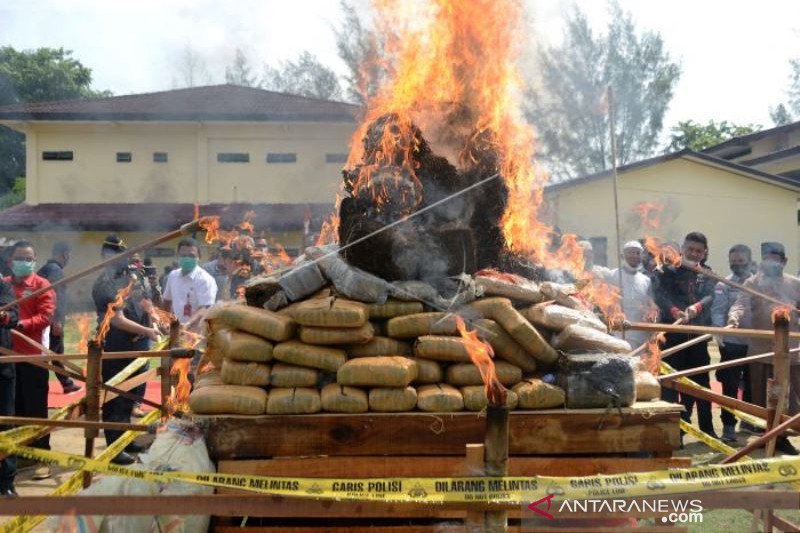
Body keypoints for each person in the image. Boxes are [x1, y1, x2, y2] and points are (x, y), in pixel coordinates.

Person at [91, 234, 160, 465]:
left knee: (132, 396)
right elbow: (117, 320)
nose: (123, 258)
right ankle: (113, 448)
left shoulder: (131, 276)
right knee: (116, 397)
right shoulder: (104, 284)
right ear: (105, 256)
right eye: (117, 254)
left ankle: (125, 439)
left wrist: (154, 321)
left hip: (139, 345)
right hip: (116, 346)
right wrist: (149, 331)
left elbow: (145, 303)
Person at [728, 242, 800, 455]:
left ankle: (783, 436)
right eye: (767, 259)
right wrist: (734, 318)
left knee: (790, 397)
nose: (771, 263)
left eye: (776, 259)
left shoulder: (795, 284)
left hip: (792, 351)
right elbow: (740, 303)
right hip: (762, 351)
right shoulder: (753, 282)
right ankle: (769, 436)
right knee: (763, 397)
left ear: (784, 261)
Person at [655, 232, 717, 439]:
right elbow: (660, 295)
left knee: (701, 384)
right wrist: (675, 311)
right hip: (673, 335)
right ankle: (673, 432)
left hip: (697, 337)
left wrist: (697, 307)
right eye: (690, 249)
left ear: (705, 253)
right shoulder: (668, 269)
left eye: (699, 250)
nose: (694, 253)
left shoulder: (708, 272)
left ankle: (707, 429)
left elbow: (710, 295)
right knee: (671, 384)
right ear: (683, 248)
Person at [5, 241, 56, 480]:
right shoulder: (3, 285)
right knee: (14, 407)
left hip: (33, 356)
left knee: (36, 408)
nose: (24, 262)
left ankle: (41, 454)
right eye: (19, 258)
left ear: (34, 261)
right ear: (10, 261)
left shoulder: (41, 285)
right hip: (7, 357)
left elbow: (45, 316)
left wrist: (21, 324)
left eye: (29, 258)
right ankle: (19, 451)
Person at [711, 244, 754, 442]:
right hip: (732, 343)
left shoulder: (759, 283)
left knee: (754, 385)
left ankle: (751, 422)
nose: (737, 265)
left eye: (741, 261)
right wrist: (720, 333)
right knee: (730, 385)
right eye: (733, 262)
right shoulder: (723, 284)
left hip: (757, 344)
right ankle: (728, 426)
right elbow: (718, 311)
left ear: (749, 260)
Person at [37, 241, 81, 394]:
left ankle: (66, 383)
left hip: (44, 318)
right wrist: (58, 320)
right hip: (51, 320)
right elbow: (57, 297)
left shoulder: (46, 269)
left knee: (54, 352)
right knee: (53, 352)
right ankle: (65, 383)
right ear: (65, 254)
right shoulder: (55, 270)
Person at [598, 241, 653, 349]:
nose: (634, 256)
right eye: (630, 252)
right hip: (616, 333)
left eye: (637, 253)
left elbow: (649, 305)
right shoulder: (612, 275)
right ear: (623, 255)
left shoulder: (646, 280)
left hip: (639, 334)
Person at [162, 238, 217, 325]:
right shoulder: (173, 275)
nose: (187, 259)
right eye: (183, 256)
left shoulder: (206, 280)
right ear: (177, 256)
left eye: (191, 256)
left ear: (199, 257)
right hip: (175, 329)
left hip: (197, 332)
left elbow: (205, 308)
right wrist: (165, 321)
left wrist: (187, 325)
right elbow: (167, 301)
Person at [0, 280, 19, 496]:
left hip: (2, 367)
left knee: (5, 423)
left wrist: (3, 316)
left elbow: (13, 316)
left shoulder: (2, 285)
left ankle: (6, 481)